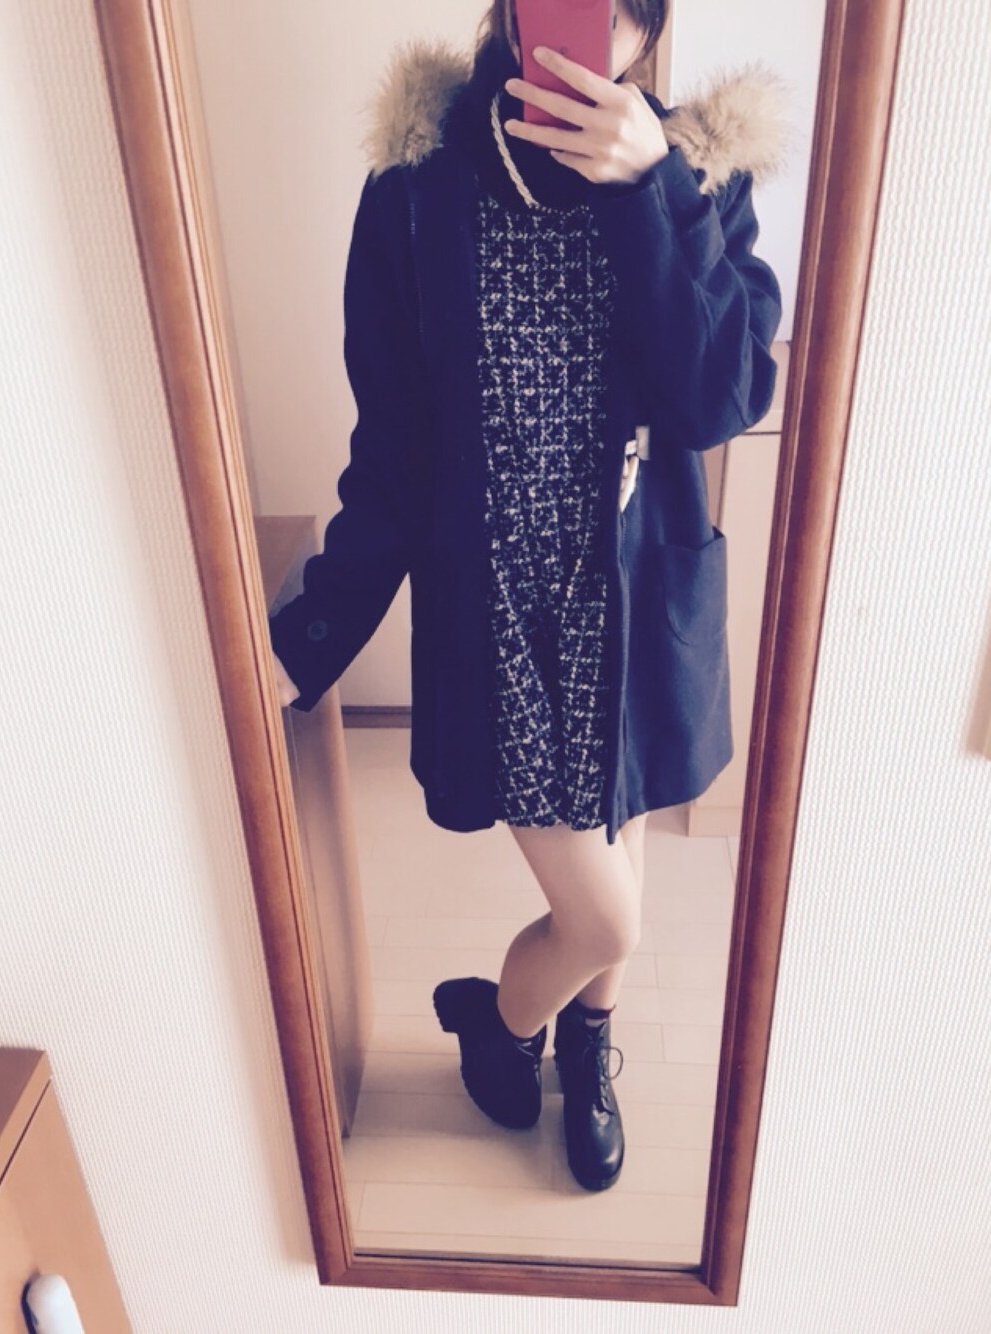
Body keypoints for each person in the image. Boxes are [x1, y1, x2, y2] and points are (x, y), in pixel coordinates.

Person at [270, 1, 788, 1191]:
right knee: (604, 917)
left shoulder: (696, 176)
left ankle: (581, 1042)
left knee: (625, 846)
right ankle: (502, 1022)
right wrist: (310, 635)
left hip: (634, 604)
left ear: (648, 27)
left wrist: (653, 189)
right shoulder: (415, 190)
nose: (582, 17)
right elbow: (392, 456)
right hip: (495, 614)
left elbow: (717, 399)